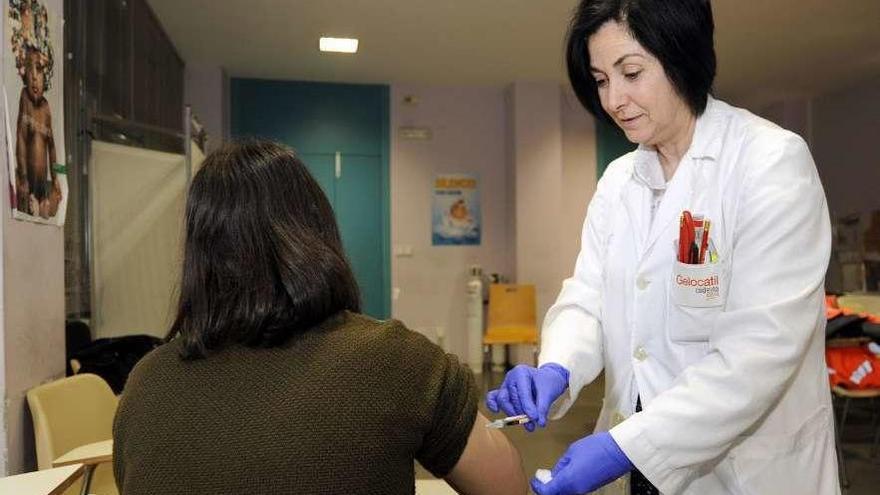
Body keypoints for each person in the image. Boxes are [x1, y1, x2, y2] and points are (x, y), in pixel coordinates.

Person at [487, 1, 839, 494]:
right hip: (636, 460)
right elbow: (589, 295)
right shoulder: (618, 180)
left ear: (682, 57)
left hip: (744, 470)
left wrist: (623, 447)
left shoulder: (770, 162)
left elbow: (759, 351)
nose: (613, 100)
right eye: (601, 80)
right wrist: (558, 365)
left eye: (630, 73)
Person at [113, 140, 528, 495]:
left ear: (199, 256)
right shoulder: (395, 362)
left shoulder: (145, 382)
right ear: (317, 231)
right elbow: (507, 486)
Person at [15, 46, 61, 218]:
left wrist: (57, 176)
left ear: (46, 76)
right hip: (28, 184)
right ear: (24, 74)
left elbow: (53, 147)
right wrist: (24, 178)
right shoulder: (25, 98)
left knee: (48, 212)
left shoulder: (47, 107)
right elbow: (20, 138)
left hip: (43, 187)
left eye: (39, 70)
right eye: (29, 69)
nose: (34, 76)